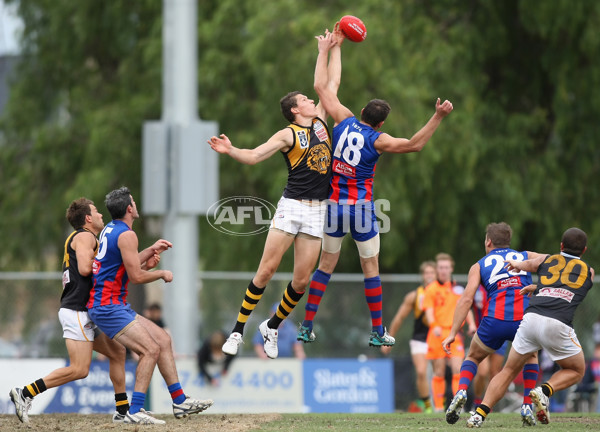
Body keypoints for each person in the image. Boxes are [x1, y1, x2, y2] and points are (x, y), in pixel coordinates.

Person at [296, 30, 454, 348]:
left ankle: (306, 325)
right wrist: (437, 116)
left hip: (333, 208)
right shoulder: (378, 140)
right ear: (380, 123)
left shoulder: (342, 119)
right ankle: (378, 330)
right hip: (362, 210)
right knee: (371, 268)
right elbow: (414, 144)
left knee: (325, 266)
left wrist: (326, 50)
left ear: (363, 112)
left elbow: (320, 87)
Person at [208, 27, 344, 360]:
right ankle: (238, 332)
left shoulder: (322, 124)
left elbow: (330, 86)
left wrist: (334, 48)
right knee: (266, 271)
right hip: (292, 207)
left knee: (301, 281)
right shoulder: (288, 134)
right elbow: (255, 156)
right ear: (296, 110)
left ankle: (271, 326)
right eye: (305, 101)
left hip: (317, 211)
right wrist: (231, 150)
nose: (313, 101)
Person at [87, 186, 213, 424]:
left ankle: (179, 400)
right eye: (133, 202)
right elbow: (135, 276)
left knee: (163, 340)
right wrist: (161, 273)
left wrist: (151, 250)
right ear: (129, 209)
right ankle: (134, 410)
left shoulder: (111, 230)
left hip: (112, 304)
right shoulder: (127, 234)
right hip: (108, 306)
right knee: (150, 350)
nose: (136, 205)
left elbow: (128, 263)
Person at [9, 198, 129, 424]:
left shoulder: (84, 237)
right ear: (87, 218)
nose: (101, 215)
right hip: (77, 312)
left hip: (81, 311)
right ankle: (24, 393)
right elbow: (85, 268)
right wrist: (110, 261)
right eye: (96, 211)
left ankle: (123, 411)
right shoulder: (85, 236)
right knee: (79, 369)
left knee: (117, 353)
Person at [466, 227, 594, 428]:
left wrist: (518, 265)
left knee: (507, 370)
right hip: (558, 322)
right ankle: (544, 391)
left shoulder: (547, 260)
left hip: (531, 319)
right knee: (577, 370)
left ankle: (478, 414)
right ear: (584, 250)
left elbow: (529, 265)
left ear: (561, 246)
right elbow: (569, 289)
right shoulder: (589, 271)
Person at [442, 222, 543, 426]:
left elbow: (466, 299)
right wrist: (538, 285)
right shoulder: (525, 256)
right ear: (508, 241)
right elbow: (554, 264)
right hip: (523, 320)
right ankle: (526, 405)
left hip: (494, 321)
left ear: (488, 241)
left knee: (473, 356)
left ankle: (461, 390)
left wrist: (453, 332)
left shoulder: (479, 265)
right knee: (531, 356)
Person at [381, 261, 437, 413]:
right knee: (421, 372)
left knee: (440, 373)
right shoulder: (414, 296)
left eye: (432, 273)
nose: (429, 276)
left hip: (439, 339)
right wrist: (389, 339)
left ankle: (441, 404)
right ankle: (427, 407)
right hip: (420, 338)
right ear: (422, 276)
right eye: (427, 273)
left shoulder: (444, 293)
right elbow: (399, 318)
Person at [423, 253, 476, 412]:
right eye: (441, 267)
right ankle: (438, 408)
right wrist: (434, 325)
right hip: (437, 334)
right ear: (437, 269)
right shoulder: (431, 289)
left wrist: (472, 324)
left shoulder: (458, 288)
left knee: (457, 369)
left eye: (446, 267)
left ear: (451, 268)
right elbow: (429, 311)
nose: (444, 270)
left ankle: (457, 405)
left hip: (453, 334)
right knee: (438, 372)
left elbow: (465, 307)